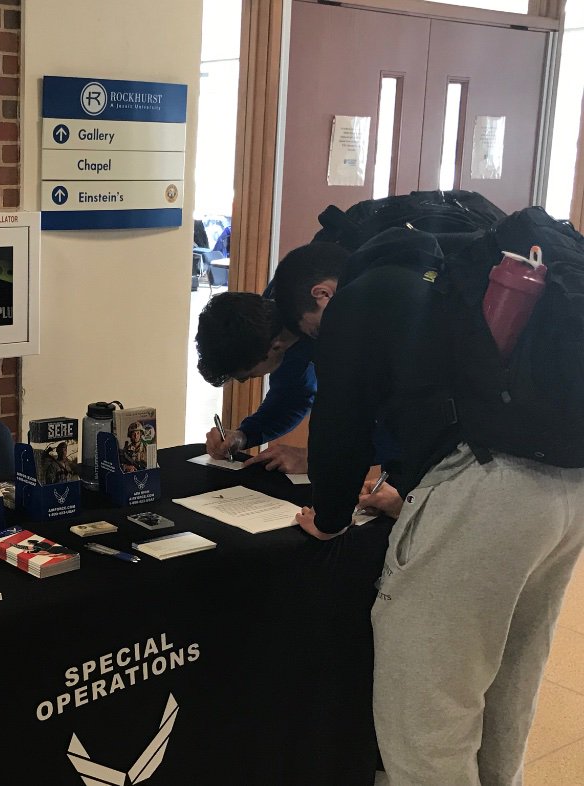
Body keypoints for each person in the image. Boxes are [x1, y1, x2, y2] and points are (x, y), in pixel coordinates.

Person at [293, 233, 584, 784]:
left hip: (483, 490)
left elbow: (342, 423)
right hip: (565, 487)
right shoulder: (450, 273)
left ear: (325, 293)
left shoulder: (364, 295)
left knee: (428, 724)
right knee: (506, 695)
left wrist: (330, 521)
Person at [197, 242, 349, 473]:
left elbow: (394, 416)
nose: (246, 381)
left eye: (248, 375)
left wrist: (315, 458)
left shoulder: (333, 324)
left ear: (274, 348)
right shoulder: (271, 317)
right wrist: (243, 435)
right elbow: (292, 399)